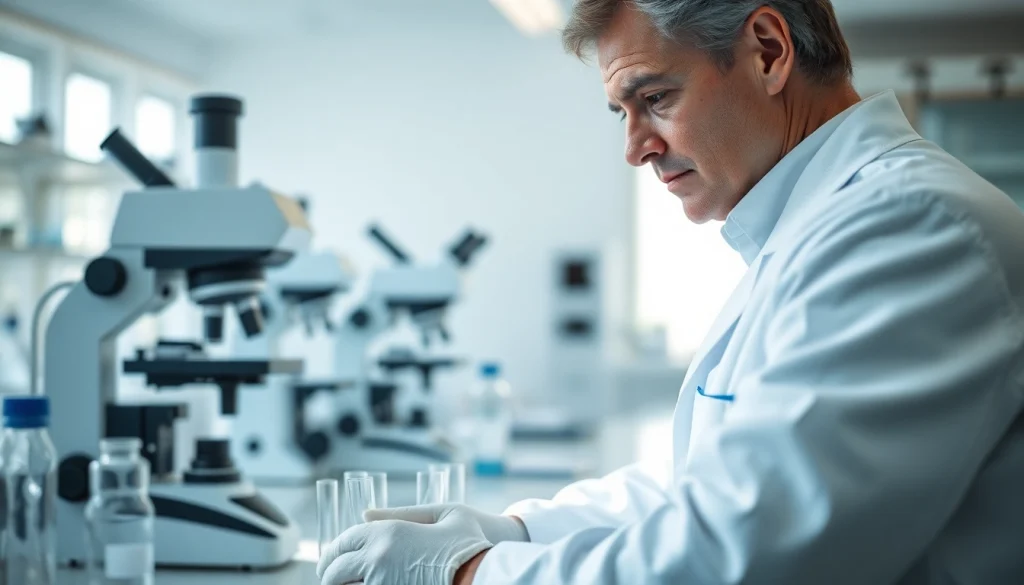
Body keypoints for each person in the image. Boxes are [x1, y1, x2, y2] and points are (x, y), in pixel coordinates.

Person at [317, 1, 1024, 583]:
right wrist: (515, 526)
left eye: (654, 98)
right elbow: (708, 483)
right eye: (622, 112)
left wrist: (469, 571)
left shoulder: (909, 225)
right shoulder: (814, 228)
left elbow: (748, 556)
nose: (635, 147)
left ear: (769, 51)